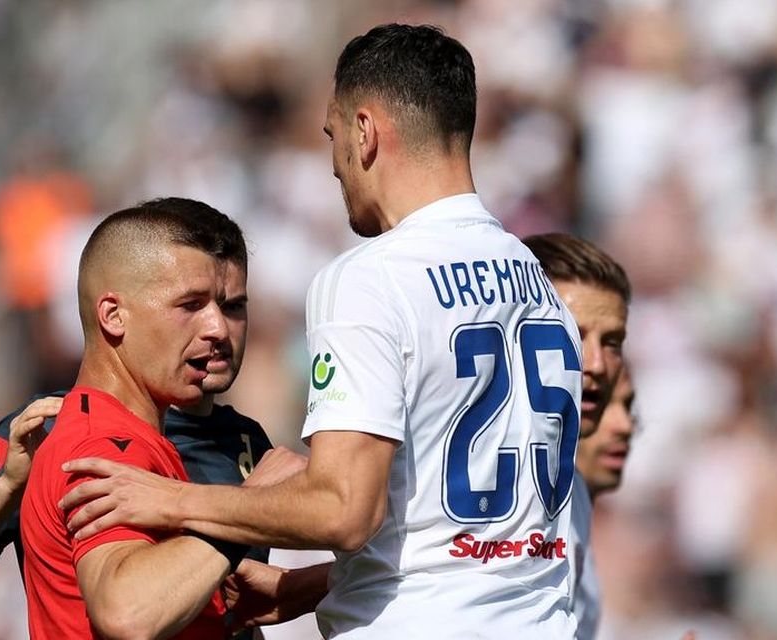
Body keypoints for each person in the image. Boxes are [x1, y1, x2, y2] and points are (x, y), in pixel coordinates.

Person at [61, 24, 584, 638]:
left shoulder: (370, 278)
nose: (334, 168)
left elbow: (344, 509)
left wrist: (174, 500)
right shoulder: (541, 284)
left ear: (365, 132)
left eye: (333, 137)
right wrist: (306, 586)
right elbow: (461, 539)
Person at [0, 198, 283, 638]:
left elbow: (220, 606)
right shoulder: (51, 428)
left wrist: (315, 586)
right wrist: (7, 488)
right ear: (113, 315)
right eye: (191, 305)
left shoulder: (246, 443)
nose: (218, 329)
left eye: (233, 307)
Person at [523, 232, 632, 640]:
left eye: (613, 342)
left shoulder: (570, 494)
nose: (597, 363)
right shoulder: (444, 470)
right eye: (573, 334)